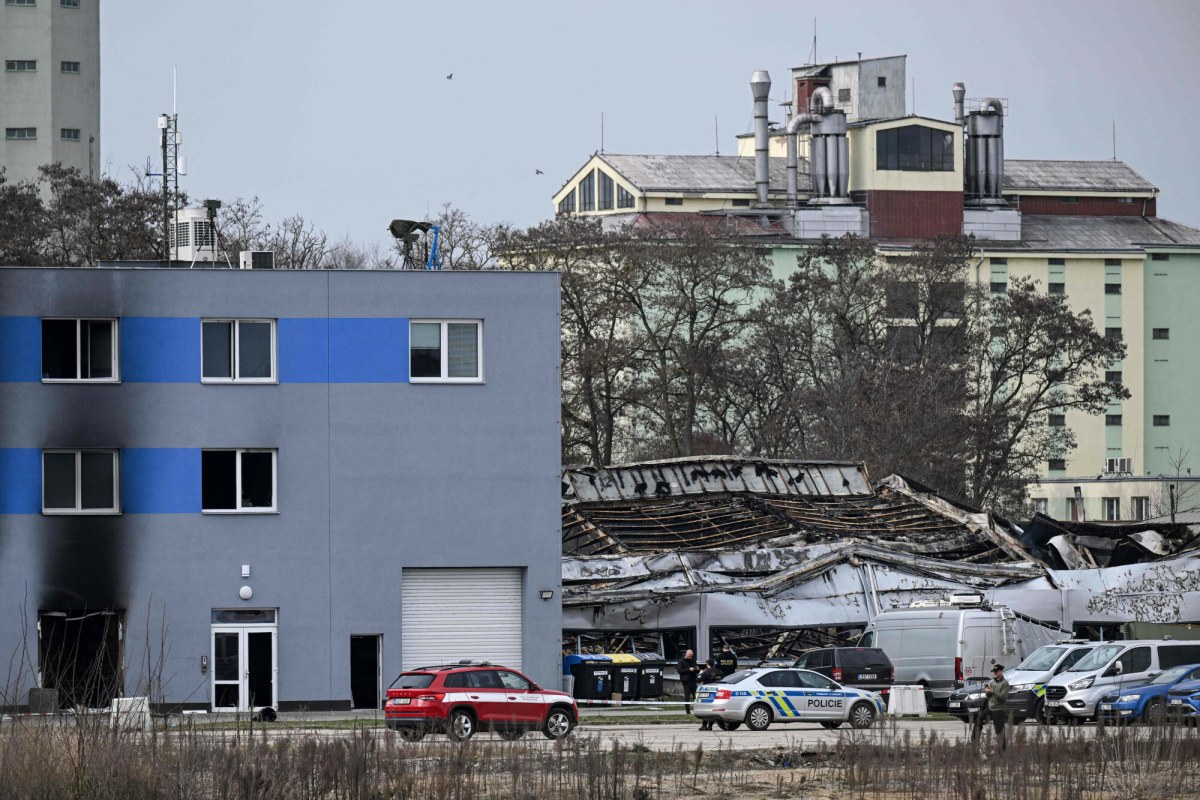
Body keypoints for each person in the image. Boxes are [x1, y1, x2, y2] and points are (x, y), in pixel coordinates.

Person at [971, 663, 1011, 752]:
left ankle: (1002, 751)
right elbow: (989, 697)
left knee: (999, 730)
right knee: (978, 721)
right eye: (994, 672)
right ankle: (974, 744)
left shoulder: (1005, 683)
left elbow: (1003, 697)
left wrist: (992, 692)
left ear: (1001, 671)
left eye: (996, 671)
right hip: (990, 707)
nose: (995, 673)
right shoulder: (992, 682)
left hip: (999, 709)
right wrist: (988, 692)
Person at [697, 659, 723, 730]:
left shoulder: (706, 672)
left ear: (708, 664)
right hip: (716, 691)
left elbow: (698, 680)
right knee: (712, 709)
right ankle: (710, 726)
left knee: (705, 709)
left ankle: (704, 725)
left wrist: (700, 673)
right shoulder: (719, 672)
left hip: (707, 692)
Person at [677, 649, 700, 714]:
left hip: (693, 680)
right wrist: (688, 669)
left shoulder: (693, 660)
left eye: (691, 656)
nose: (690, 657)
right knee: (687, 697)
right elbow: (679, 671)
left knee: (695, 696)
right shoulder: (681, 661)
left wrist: (697, 669)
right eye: (689, 656)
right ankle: (688, 712)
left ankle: (697, 710)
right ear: (686, 654)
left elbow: (696, 668)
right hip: (686, 681)